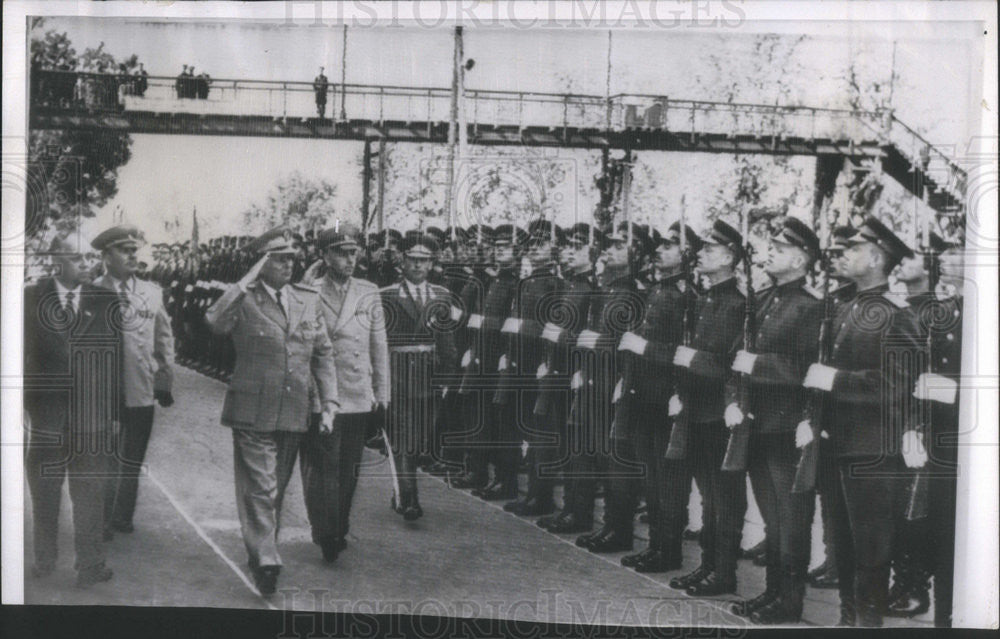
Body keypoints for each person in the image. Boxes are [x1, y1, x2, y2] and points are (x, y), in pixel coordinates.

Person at [799, 216, 921, 626]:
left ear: (875, 257)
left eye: (853, 250)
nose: (843, 255)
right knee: (844, 544)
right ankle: (846, 620)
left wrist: (835, 380)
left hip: (871, 447)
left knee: (871, 546)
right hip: (837, 440)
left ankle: (866, 624)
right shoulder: (847, 305)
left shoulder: (895, 314)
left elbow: (895, 384)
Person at [204, 226, 339, 596]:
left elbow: (323, 353)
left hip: (295, 408)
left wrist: (329, 402)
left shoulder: (306, 299)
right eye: (278, 258)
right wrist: (246, 279)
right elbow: (215, 322)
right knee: (262, 486)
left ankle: (261, 548)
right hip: (253, 407)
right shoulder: (242, 298)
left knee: (273, 489)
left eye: (291, 258)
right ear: (261, 262)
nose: (287, 265)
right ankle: (266, 559)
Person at [723, 217, 824, 623]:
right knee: (771, 517)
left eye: (780, 249)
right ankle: (771, 594)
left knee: (791, 517)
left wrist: (759, 365)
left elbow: (808, 368)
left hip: (787, 427)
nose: (771, 252)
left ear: (800, 258)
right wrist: (733, 398)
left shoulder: (811, 307)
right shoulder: (763, 299)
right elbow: (736, 356)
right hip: (757, 424)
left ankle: (789, 600)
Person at [24, 231, 123, 587]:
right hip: (47, 415)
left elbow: (115, 359)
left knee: (90, 493)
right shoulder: (30, 297)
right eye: (77, 257)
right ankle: (45, 558)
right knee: (45, 491)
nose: (86, 264)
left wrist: (114, 414)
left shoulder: (104, 299)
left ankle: (91, 564)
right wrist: (27, 409)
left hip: (91, 415)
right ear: (56, 260)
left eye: (88, 257)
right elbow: (19, 358)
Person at [298, 223, 389, 562]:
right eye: (341, 252)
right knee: (322, 465)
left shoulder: (368, 291)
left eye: (354, 252)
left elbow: (378, 345)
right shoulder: (308, 291)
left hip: (356, 390)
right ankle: (325, 531)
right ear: (324, 255)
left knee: (348, 467)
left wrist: (382, 391)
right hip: (322, 391)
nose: (350, 259)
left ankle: (338, 525)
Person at [616, 221, 702, 573]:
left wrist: (645, 347)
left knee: (669, 479)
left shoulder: (687, 296)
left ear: (686, 255)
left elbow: (686, 352)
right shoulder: (657, 290)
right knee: (651, 476)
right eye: (662, 245)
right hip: (645, 394)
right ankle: (655, 546)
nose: (660, 250)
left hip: (668, 397)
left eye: (669, 246)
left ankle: (669, 551)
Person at [668, 219, 747, 597]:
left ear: (731, 257)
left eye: (711, 250)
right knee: (708, 495)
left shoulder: (738, 306)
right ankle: (708, 565)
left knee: (723, 498)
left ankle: (724, 571)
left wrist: (694, 360)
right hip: (698, 410)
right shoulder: (706, 300)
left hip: (720, 414)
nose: (700, 254)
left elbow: (733, 365)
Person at [91, 224, 176, 537]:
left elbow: (164, 339)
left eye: (133, 251)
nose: (131, 255)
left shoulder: (151, 293)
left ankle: (122, 515)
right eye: (123, 250)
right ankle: (100, 518)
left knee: (132, 457)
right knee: (104, 456)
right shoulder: (92, 291)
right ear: (105, 256)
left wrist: (165, 381)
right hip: (102, 391)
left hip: (140, 387)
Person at [379, 233, 458, 520]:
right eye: (412, 259)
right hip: (397, 370)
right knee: (403, 436)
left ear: (432, 264)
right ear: (402, 261)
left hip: (429, 372)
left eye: (423, 260)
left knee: (422, 437)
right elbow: (378, 340)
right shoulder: (387, 294)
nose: (417, 265)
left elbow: (447, 340)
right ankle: (409, 498)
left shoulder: (442, 295)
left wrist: (448, 377)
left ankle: (402, 488)